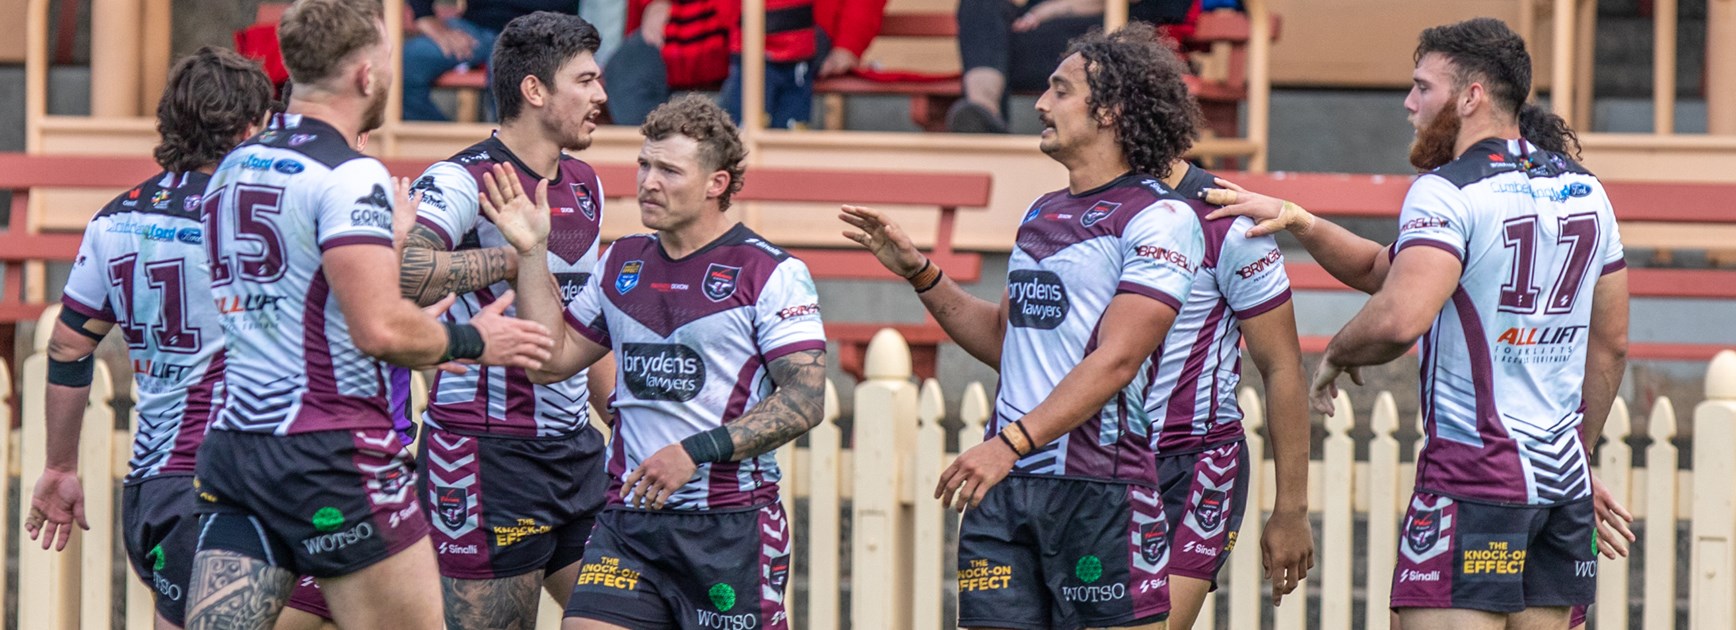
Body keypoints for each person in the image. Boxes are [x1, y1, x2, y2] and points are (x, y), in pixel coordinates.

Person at [1202, 18, 1635, 630]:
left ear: (1471, 96)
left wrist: (1338, 352)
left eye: (1422, 87)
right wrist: (1301, 220)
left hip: (1472, 480)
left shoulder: (1448, 190)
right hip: (1562, 492)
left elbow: (1401, 314)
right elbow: (1610, 345)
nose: (1408, 103)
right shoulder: (1589, 191)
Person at [184, 2, 554, 629]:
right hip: (330, 453)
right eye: (385, 58)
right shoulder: (352, 173)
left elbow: (300, 298)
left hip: (237, 448)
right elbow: (379, 329)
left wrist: (385, 251)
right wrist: (476, 339)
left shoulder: (232, 168)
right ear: (364, 75)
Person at [841, 24, 1204, 628]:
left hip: (1099, 490)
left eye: (1060, 91)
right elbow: (1007, 346)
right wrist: (921, 274)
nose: (1040, 104)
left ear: (1110, 109)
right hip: (1006, 488)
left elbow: (1116, 360)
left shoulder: (1161, 217)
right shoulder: (1041, 213)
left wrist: (1006, 446)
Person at [485, 94, 829, 630]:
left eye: (669, 170)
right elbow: (549, 362)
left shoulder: (770, 272)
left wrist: (692, 453)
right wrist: (532, 252)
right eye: (644, 164)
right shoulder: (622, 260)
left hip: (730, 528)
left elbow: (806, 401)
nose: (647, 181)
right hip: (629, 522)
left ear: (717, 183)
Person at [22, 46, 275, 630]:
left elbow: (66, 348)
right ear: (244, 129)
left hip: (152, 490)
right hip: (223, 489)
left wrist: (60, 464)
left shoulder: (116, 218)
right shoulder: (254, 224)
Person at [399, 12, 616, 628]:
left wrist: (621, 423)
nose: (601, 96)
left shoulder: (586, 182)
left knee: (634, 615)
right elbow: (403, 271)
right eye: (586, 80)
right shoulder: (462, 178)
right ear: (535, 90)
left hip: (577, 454)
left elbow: (584, 328)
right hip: (486, 456)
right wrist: (518, 253)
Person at [1144, 159, 1315, 629]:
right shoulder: (1088, 210)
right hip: (1101, 463)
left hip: (1195, 462)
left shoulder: (1226, 222)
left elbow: (1282, 365)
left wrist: (1291, 509)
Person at [946, 0, 1193, 133]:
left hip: (1114, 26)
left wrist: (1053, 8)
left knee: (990, 43)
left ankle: (984, 121)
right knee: (979, 4)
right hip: (1032, 36)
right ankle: (982, 112)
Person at [402, 0, 580, 121]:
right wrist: (424, 15)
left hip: (544, 29)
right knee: (405, 63)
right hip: (475, 28)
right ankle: (450, 152)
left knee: (508, 73)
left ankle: (508, 158)